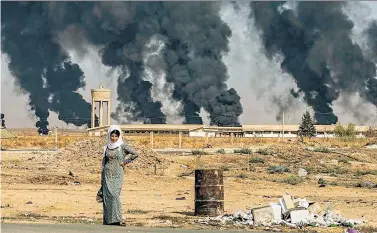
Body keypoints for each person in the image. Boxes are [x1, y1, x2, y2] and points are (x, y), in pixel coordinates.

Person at [98, 125, 139, 226]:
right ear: (109, 136)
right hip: (107, 174)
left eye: (116, 136)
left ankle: (118, 219)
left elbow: (135, 154)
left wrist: (125, 162)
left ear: (119, 136)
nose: (114, 138)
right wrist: (102, 177)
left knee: (114, 195)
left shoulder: (122, 146)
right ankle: (108, 220)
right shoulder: (106, 147)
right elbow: (104, 162)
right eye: (112, 136)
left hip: (117, 174)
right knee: (107, 196)